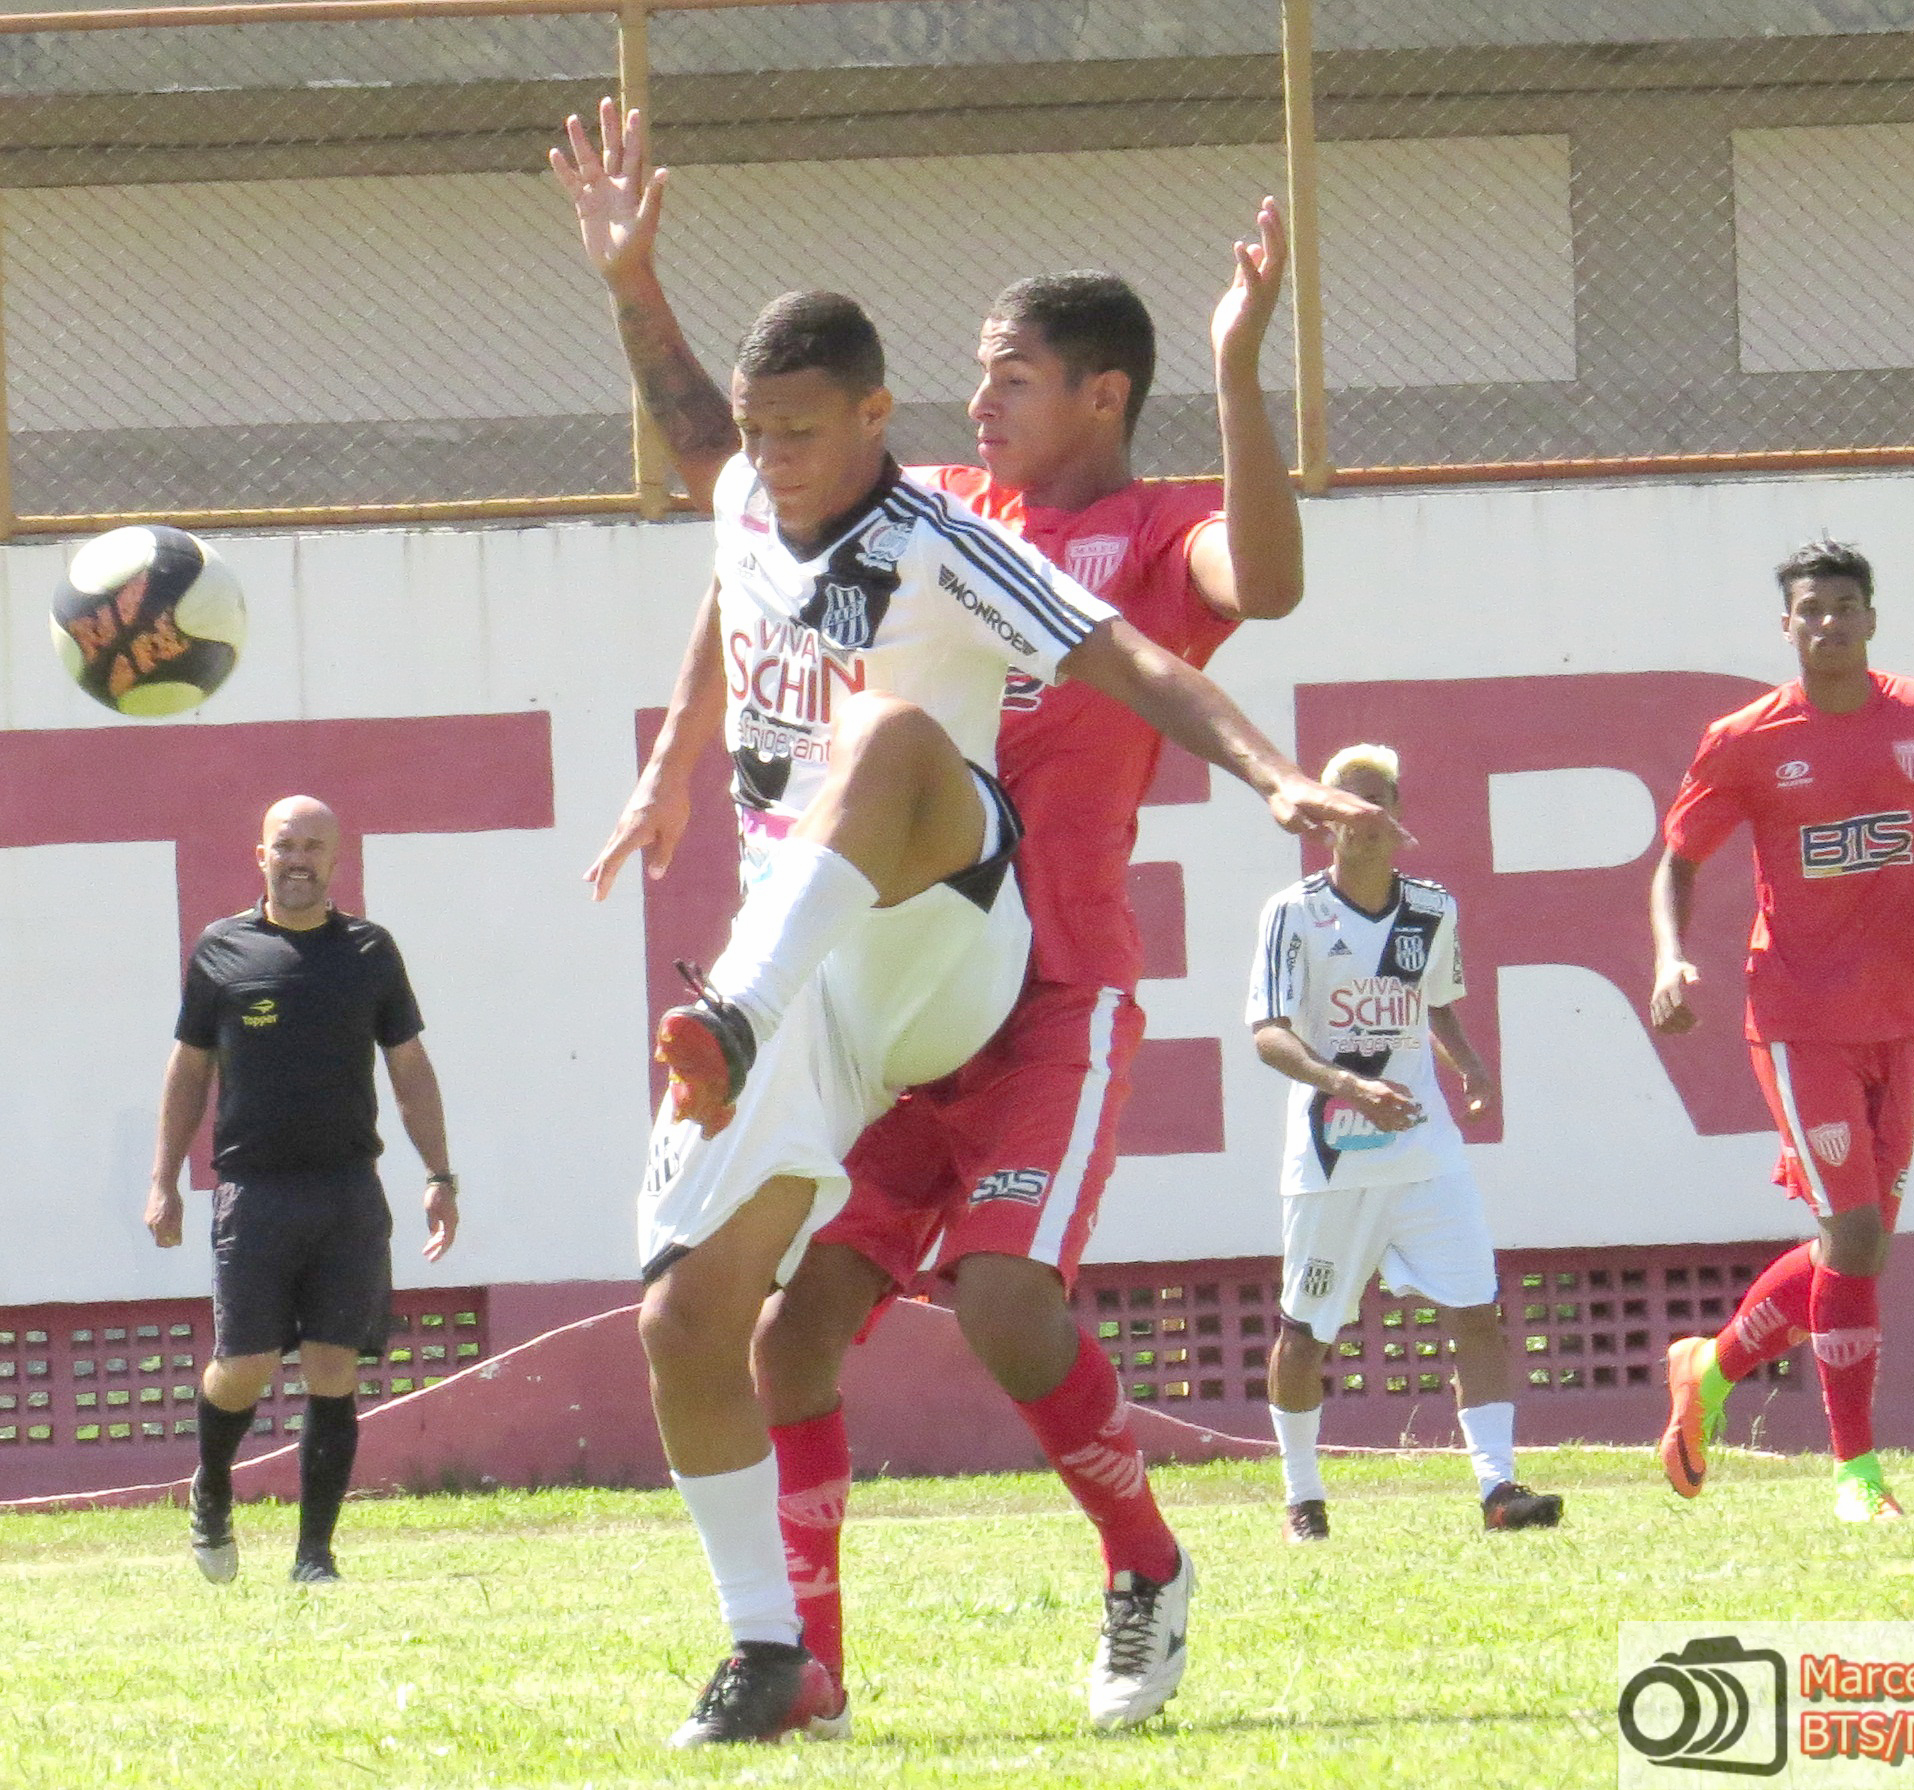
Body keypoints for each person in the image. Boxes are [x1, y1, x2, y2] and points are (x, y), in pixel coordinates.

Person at [556, 98, 1306, 1729]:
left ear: (1100, 391)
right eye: (974, 374)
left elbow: (1221, 613)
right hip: (858, 966)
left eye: (1014, 373)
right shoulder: (832, 486)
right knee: (761, 1330)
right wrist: (674, 763)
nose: (985, 397)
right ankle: (794, 1662)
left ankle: (1144, 1567)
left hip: (1030, 967)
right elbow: (732, 528)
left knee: (1007, 1297)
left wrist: (1277, 774)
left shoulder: (1063, 535)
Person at [1649, 540, 1914, 1523]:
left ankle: (1712, 1367)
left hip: (1898, 1020)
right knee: (1855, 1236)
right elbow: (1679, 859)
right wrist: (1669, 956)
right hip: (1796, 1018)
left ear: (1870, 617)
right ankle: (1857, 1475)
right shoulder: (1749, 737)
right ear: (1787, 626)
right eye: (1809, 609)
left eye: (1844, 606)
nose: (1827, 623)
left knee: (1852, 1250)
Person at [1245, 745, 1564, 1541]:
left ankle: (1498, 1489)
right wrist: (1349, 1087)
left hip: (1425, 1154)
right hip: (1330, 1162)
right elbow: (1266, 1034)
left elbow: (1434, 998)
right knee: (1305, 1332)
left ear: (1394, 815)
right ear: (1325, 821)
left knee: (1476, 1311)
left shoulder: (1429, 907)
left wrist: (1469, 1063)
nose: (1359, 816)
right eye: (1342, 803)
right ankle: (1303, 1498)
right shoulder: (1294, 913)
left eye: (1373, 801)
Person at [143, 796, 459, 1584]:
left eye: (313, 847)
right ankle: (212, 1485)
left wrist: (439, 1174)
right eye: (284, 845)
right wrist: (165, 1182)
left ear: (334, 860)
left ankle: (313, 1557)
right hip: (252, 1191)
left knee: (333, 1365)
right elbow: (188, 1070)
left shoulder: (368, 951)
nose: (298, 859)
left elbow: (410, 1069)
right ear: (261, 856)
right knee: (243, 1365)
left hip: (347, 1190)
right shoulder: (222, 950)